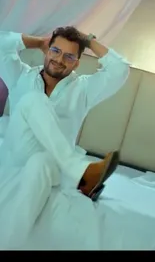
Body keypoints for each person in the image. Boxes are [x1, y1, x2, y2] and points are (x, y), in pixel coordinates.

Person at [0, 26, 130, 246]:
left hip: (50, 164)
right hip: (15, 156)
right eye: (55, 51)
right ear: (47, 51)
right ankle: (82, 172)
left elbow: (120, 70)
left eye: (69, 56)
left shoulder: (84, 89)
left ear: (77, 63)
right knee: (34, 100)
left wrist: (88, 41)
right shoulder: (21, 75)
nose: (60, 59)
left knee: (40, 162)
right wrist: (38, 41)